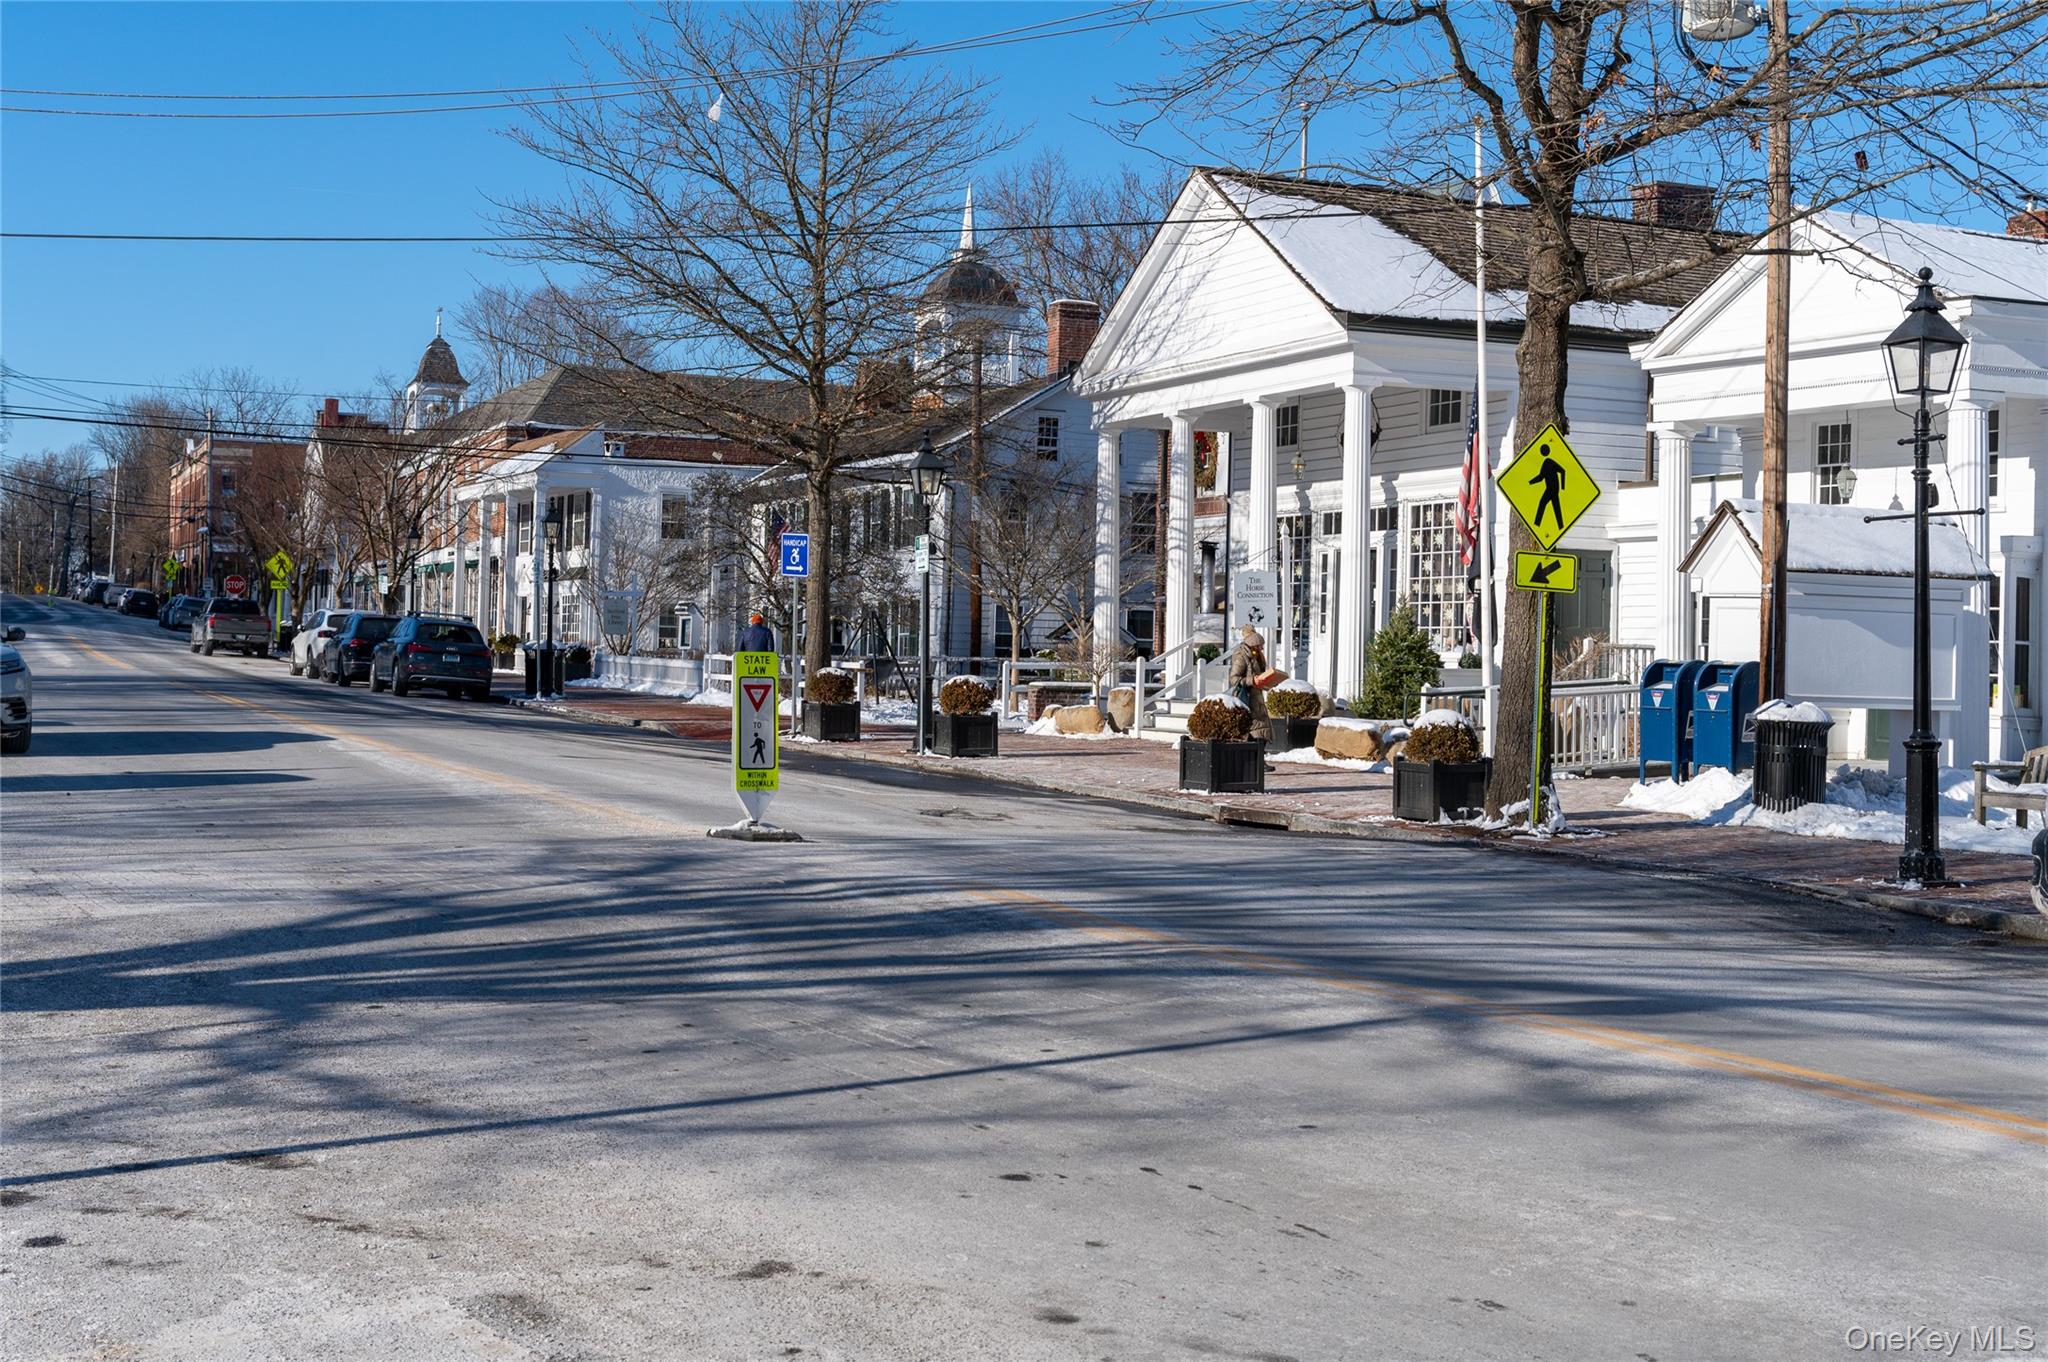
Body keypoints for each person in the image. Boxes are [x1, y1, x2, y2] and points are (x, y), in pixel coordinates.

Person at [1226, 624, 1272, 742]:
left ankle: (1259, 758)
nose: (1262, 648)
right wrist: (1252, 680)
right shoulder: (1242, 656)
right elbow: (1234, 678)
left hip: (1256, 698)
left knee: (1260, 730)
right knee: (1254, 730)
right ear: (1254, 645)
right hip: (1247, 698)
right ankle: (1255, 758)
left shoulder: (1256, 656)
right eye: (1260, 645)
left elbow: (1258, 675)